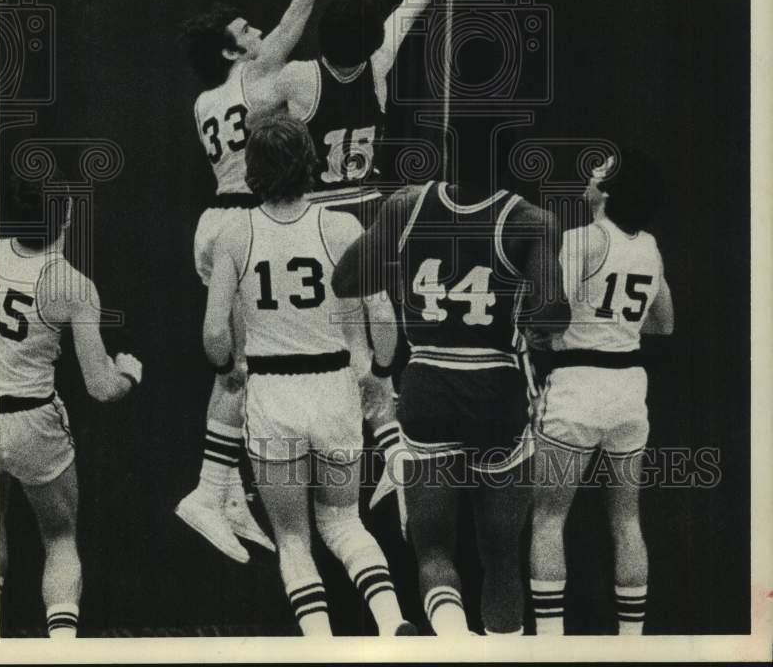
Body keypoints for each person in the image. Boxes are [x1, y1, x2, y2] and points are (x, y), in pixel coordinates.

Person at [245, 0, 492, 526]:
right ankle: (395, 456)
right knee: (371, 351)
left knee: (326, 351)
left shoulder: (303, 77)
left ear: (323, 39)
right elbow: (415, 2)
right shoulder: (378, 64)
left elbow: (252, 103)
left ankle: (267, 470)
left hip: (320, 218)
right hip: (371, 215)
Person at [176, 0, 359, 562]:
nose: (260, 30)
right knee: (242, 362)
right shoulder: (254, 77)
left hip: (215, 219)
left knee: (243, 361)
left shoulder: (202, 103)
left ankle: (221, 489)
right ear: (232, 49)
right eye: (247, 28)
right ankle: (207, 487)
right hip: (243, 221)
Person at [203, 114, 416, 636]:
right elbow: (383, 316)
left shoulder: (234, 231)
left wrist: (228, 369)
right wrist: (382, 371)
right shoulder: (341, 226)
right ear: (309, 164)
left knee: (294, 538)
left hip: (274, 394)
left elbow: (213, 332)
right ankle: (392, 623)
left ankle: (319, 643)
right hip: (334, 388)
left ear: (252, 168)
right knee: (344, 522)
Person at [332, 177, 570, 636]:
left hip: (429, 387)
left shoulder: (407, 206)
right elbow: (552, 319)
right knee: (501, 555)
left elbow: (345, 280)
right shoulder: (532, 219)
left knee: (434, 550)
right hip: (496, 391)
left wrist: (395, 245)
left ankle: (456, 641)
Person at [529, 149, 674, 636]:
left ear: (608, 190)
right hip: (630, 388)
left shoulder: (580, 240)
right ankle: (631, 642)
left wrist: (541, 336)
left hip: (578, 384)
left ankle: (551, 644)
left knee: (549, 519)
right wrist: (617, 324)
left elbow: (549, 314)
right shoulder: (650, 245)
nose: (591, 174)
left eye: (599, 172)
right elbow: (664, 323)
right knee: (627, 521)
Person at [0, 173, 143, 639]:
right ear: (64, 220)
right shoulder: (71, 285)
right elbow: (101, 388)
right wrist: (128, 372)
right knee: (59, 540)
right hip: (30, 419)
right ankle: (62, 649)